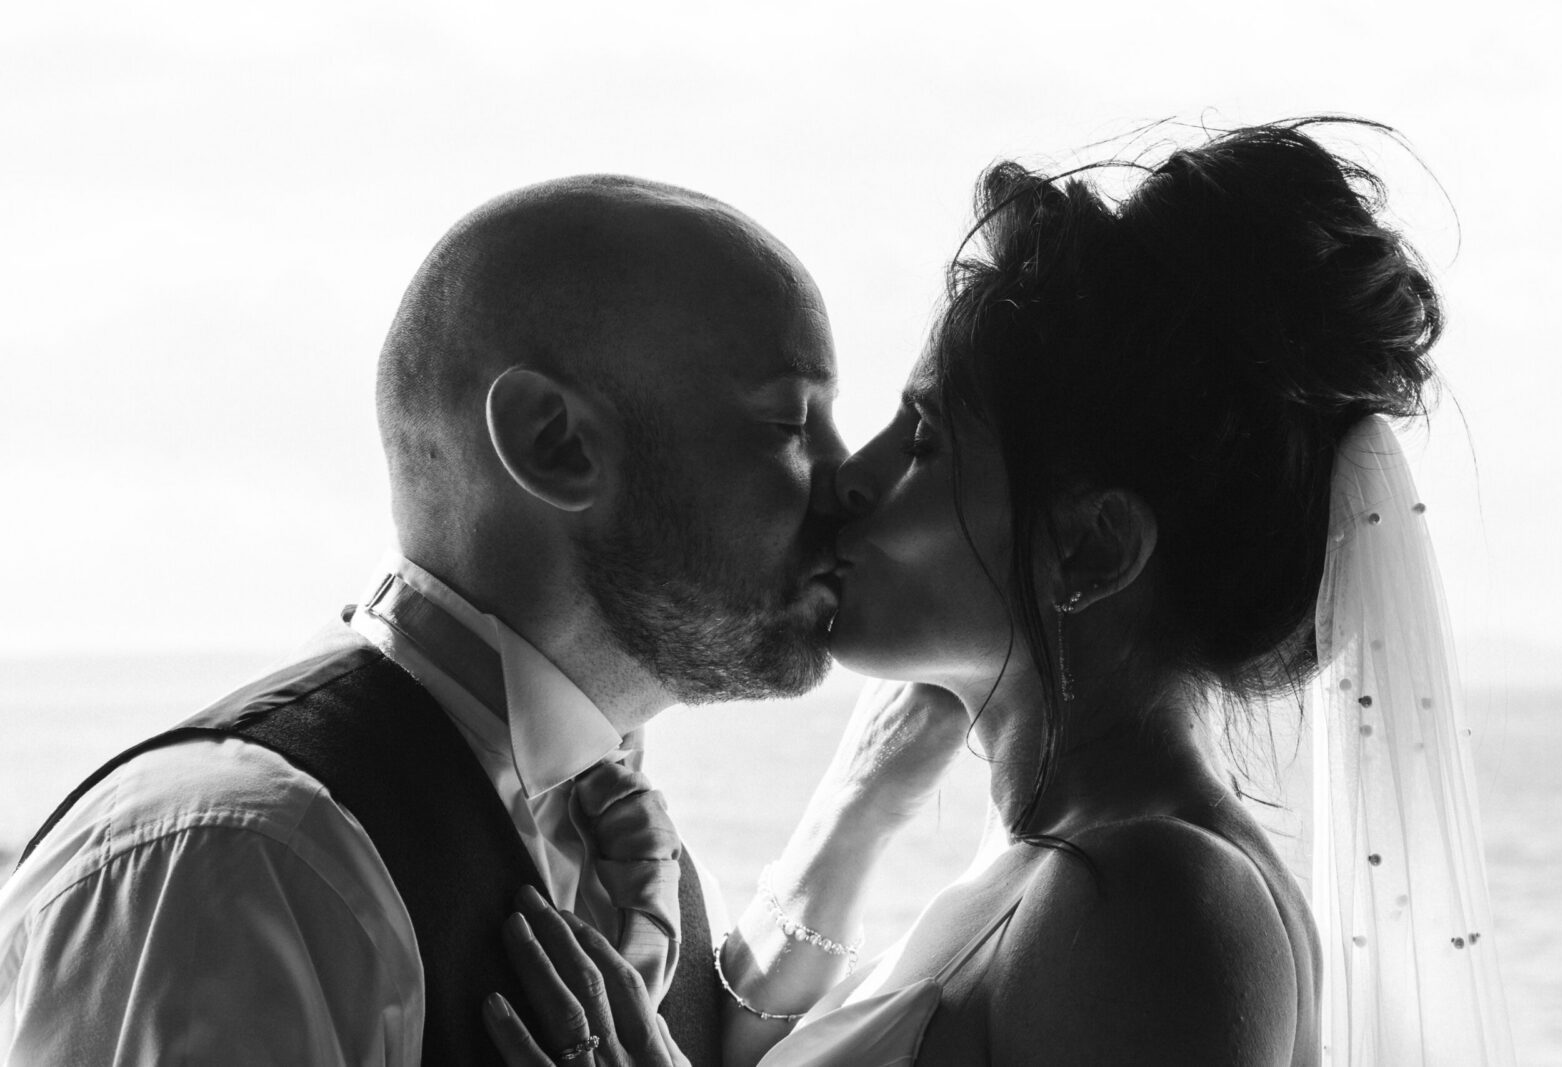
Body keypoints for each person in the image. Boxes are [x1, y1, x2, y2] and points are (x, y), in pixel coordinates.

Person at [488, 120, 1514, 1065]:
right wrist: (857, 808)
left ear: (1089, 547)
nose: (849, 478)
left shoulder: (1155, 900)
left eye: (924, 440)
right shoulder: (1061, 858)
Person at [0, 175, 911, 1064]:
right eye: (790, 423)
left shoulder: (606, 821)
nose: (852, 484)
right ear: (553, 442)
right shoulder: (238, 866)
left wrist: (867, 800)